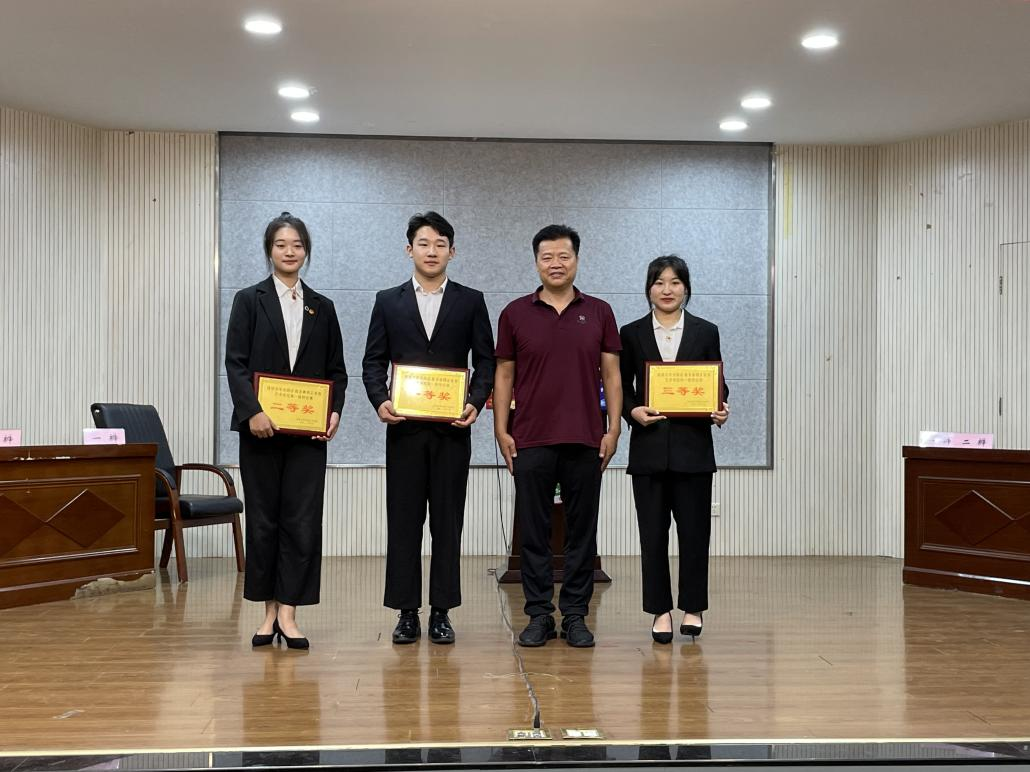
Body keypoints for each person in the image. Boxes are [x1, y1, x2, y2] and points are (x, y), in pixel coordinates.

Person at [362, 211, 495, 645]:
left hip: (452, 431)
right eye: (423, 243)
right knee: (404, 522)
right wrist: (380, 400)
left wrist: (475, 401)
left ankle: (442, 611)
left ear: (452, 252)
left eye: (440, 244)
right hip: (403, 430)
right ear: (409, 249)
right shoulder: (388, 300)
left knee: (447, 523)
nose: (431, 251)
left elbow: (487, 361)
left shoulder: (471, 300)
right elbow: (372, 361)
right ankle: (406, 613)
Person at [493, 224, 622, 649]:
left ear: (577, 260)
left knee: (582, 532)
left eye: (564, 256)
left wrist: (613, 427)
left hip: (586, 438)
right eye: (547, 256)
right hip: (530, 437)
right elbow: (504, 374)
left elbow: (612, 374)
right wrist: (501, 429)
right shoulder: (515, 313)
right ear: (536, 262)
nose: (556, 263)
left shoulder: (599, 312)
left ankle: (576, 615)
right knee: (534, 532)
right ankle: (538, 615)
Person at [225, 212, 348, 650]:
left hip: (307, 436)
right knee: (263, 520)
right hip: (259, 431)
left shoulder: (323, 307)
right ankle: (267, 612)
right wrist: (253, 411)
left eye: (297, 245)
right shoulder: (248, 300)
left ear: (306, 251)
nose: (289, 251)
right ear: (269, 250)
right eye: (281, 244)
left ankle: (290, 613)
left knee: (301, 521)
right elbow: (235, 363)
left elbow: (336, 371)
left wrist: (333, 411)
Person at [619, 255, 729, 644]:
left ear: (686, 288)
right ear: (648, 289)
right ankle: (659, 610)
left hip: (693, 451)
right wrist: (632, 410)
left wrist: (721, 407)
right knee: (652, 536)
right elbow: (622, 387)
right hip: (648, 451)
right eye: (659, 282)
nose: (667, 290)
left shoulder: (706, 331)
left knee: (695, 535)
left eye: (675, 282)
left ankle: (693, 607)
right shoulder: (631, 333)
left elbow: (717, 383)